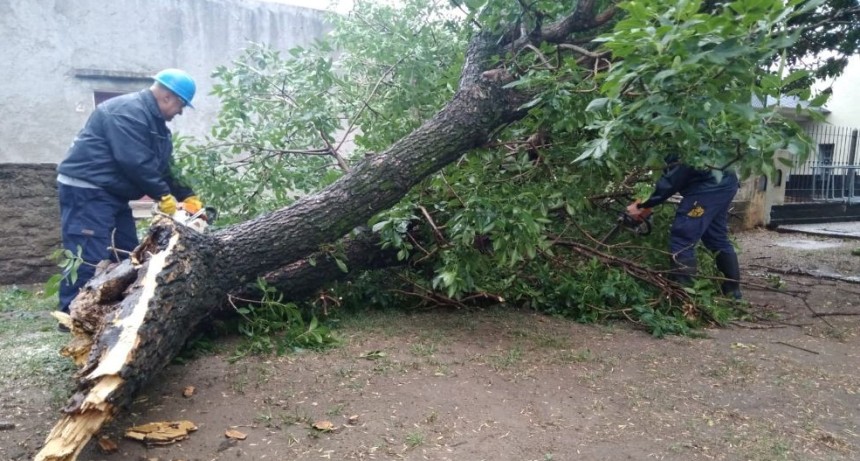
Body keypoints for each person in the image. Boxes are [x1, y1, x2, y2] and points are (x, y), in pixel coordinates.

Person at [56, 68, 205, 317]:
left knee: (126, 250)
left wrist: (186, 195)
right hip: (87, 191)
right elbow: (135, 161)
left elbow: (164, 166)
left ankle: (114, 308)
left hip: (112, 193)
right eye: (181, 105)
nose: (180, 112)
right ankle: (71, 315)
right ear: (169, 97)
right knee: (88, 253)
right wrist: (163, 196)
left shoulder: (154, 123)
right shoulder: (127, 111)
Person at [626, 157, 742, 299]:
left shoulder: (680, 146)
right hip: (724, 185)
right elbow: (671, 175)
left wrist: (642, 204)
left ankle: (683, 296)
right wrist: (648, 203)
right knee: (717, 238)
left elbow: (673, 179)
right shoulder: (689, 139)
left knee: (682, 238)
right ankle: (732, 293)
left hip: (707, 190)